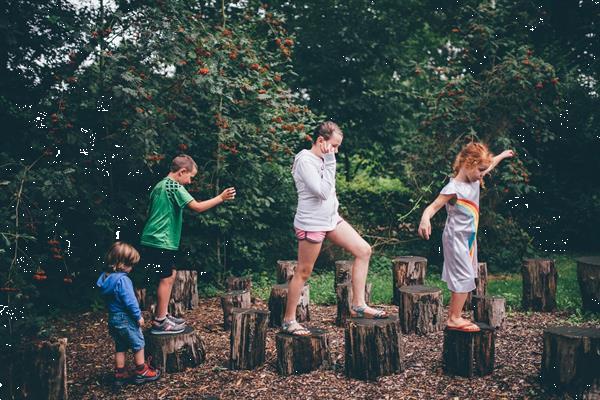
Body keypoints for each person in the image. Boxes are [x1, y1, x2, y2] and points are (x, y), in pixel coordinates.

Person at [282, 121, 388, 336]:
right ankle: (288, 320)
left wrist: (329, 160)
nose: (336, 151)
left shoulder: (323, 159)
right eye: (335, 145)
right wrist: (331, 161)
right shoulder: (305, 160)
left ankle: (358, 304)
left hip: (331, 219)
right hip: (312, 222)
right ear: (321, 141)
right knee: (304, 271)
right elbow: (321, 191)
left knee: (364, 250)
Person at [418, 142, 513, 332]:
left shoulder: (475, 179)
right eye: (480, 170)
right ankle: (454, 318)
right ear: (468, 163)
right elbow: (433, 207)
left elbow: (490, 163)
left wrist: (501, 155)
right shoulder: (453, 188)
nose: (482, 174)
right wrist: (424, 219)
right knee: (463, 275)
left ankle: (456, 315)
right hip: (455, 238)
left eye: (483, 170)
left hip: (469, 239)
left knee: (466, 275)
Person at [140, 154, 235, 334]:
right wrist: (221, 197)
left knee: (170, 274)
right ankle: (160, 321)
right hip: (161, 239)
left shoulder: (159, 185)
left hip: (157, 239)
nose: (190, 181)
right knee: (166, 278)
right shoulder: (173, 186)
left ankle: (163, 314)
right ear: (182, 171)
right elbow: (197, 207)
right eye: (190, 177)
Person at [97, 241, 161, 386]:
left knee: (120, 346)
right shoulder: (123, 280)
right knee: (138, 343)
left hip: (113, 318)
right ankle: (141, 371)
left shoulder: (105, 279)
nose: (131, 268)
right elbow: (130, 301)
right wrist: (138, 316)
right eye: (130, 264)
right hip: (126, 318)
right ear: (121, 264)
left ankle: (120, 373)